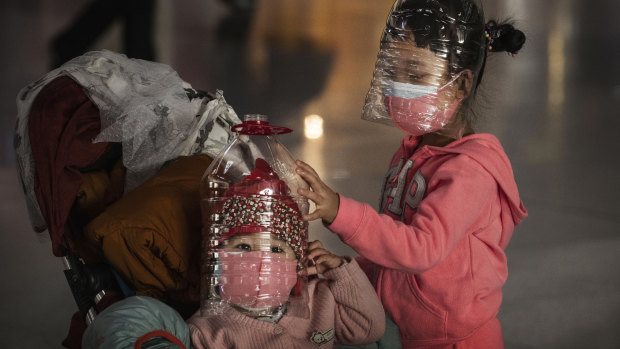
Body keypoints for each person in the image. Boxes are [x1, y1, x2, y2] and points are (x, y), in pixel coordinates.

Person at [295, 0, 527, 348]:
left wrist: (339, 210)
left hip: (454, 341)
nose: (397, 86)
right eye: (393, 71)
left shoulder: (468, 171)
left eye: (416, 74)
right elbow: (394, 247)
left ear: (461, 85)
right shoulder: (413, 152)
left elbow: (420, 249)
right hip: (406, 333)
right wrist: (349, 269)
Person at [187, 160, 385, 349]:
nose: (262, 262)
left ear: (297, 261)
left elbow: (368, 328)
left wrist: (341, 271)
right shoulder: (207, 330)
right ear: (219, 257)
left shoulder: (319, 300)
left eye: (276, 249)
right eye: (244, 247)